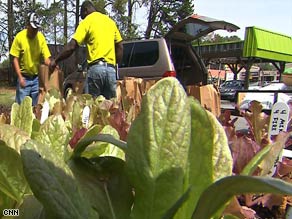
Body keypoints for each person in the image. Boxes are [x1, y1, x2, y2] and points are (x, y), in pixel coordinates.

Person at [49, 0, 123, 99]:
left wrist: (56, 60)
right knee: (111, 108)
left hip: (96, 70)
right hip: (111, 71)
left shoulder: (87, 21)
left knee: (93, 107)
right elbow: (120, 46)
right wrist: (113, 64)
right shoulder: (110, 22)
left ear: (85, 10)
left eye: (82, 16)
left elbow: (72, 46)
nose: (83, 19)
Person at [10, 12, 51, 106]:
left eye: (36, 29)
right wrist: (20, 77)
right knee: (22, 108)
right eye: (33, 28)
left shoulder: (40, 38)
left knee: (35, 107)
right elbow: (15, 58)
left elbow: (46, 59)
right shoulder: (19, 37)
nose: (34, 31)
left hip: (36, 79)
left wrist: (53, 64)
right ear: (27, 25)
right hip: (24, 77)